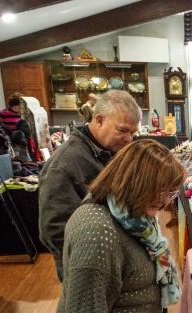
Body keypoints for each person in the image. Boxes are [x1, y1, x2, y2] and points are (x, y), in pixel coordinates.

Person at [55, 139, 185, 313]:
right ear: (135, 181)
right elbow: (86, 308)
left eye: (172, 191)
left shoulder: (129, 214)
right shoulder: (99, 229)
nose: (165, 199)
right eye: (160, 190)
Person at [39, 90, 142, 286]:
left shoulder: (108, 150)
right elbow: (53, 230)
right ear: (100, 120)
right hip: (88, 264)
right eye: (122, 130)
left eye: (133, 133)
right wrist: (89, 261)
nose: (129, 139)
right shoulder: (63, 165)